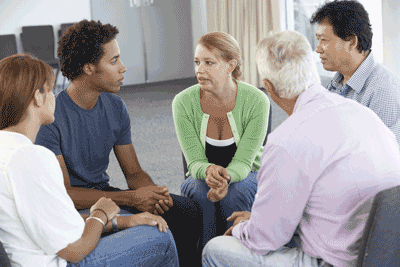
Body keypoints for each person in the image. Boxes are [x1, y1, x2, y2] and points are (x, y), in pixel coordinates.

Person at [201, 30, 400, 267]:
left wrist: (242, 230)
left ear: (269, 87)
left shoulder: (286, 141)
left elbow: (265, 240)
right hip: (386, 252)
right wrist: (259, 221)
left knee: (215, 250)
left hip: (337, 261)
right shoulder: (362, 113)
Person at [35, 19, 213, 267]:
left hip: (108, 194)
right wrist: (131, 199)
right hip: (80, 209)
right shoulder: (51, 117)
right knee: (153, 229)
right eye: (114, 60)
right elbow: (67, 194)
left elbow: (134, 172)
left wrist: (153, 195)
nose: (123, 68)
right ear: (88, 68)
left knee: (187, 212)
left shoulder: (115, 106)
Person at [0, 53, 179, 267]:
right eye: (49, 90)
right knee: (160, 239)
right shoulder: (32, 157)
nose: (54, 96)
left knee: (142, 228)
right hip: (59, 262)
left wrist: (127, 221)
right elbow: (75, 250)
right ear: (37, 97)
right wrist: (101, 212)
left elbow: (59, 224)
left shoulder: (8, 150)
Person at [172, 32, 270, 235]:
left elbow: (244, 162)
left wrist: (226, 178)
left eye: (209, 62)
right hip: (202, 176)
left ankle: (236, 253)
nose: (200, 70)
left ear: (230, 66)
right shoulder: (182, 102)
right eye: (197, 62)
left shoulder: (257, 100)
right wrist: (208, 172)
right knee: (200, 190)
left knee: (237, 192)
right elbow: (194, 161)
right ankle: (206, 255)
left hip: (248, 173)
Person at [310, 0, 400, 148]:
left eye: (324, 40)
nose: (318, 49)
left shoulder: (384, 92)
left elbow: (385, 160)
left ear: (351, 42)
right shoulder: (336, 83)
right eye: (318, 39)